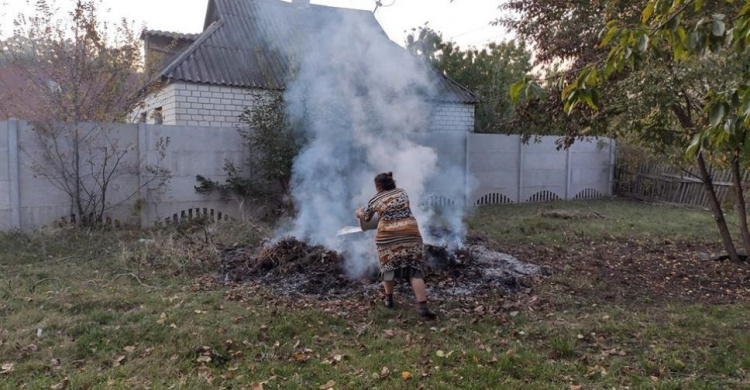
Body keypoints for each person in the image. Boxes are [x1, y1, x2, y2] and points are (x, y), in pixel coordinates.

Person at [356, 172, 436, 319]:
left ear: (378, 186)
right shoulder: (402, 192)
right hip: (411, 234)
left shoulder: (375, 199)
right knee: (414, 270)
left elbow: (366, 219)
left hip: (387, 238)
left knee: (388, 268)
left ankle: (388, 300)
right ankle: (423, 306)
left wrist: (359, 212)